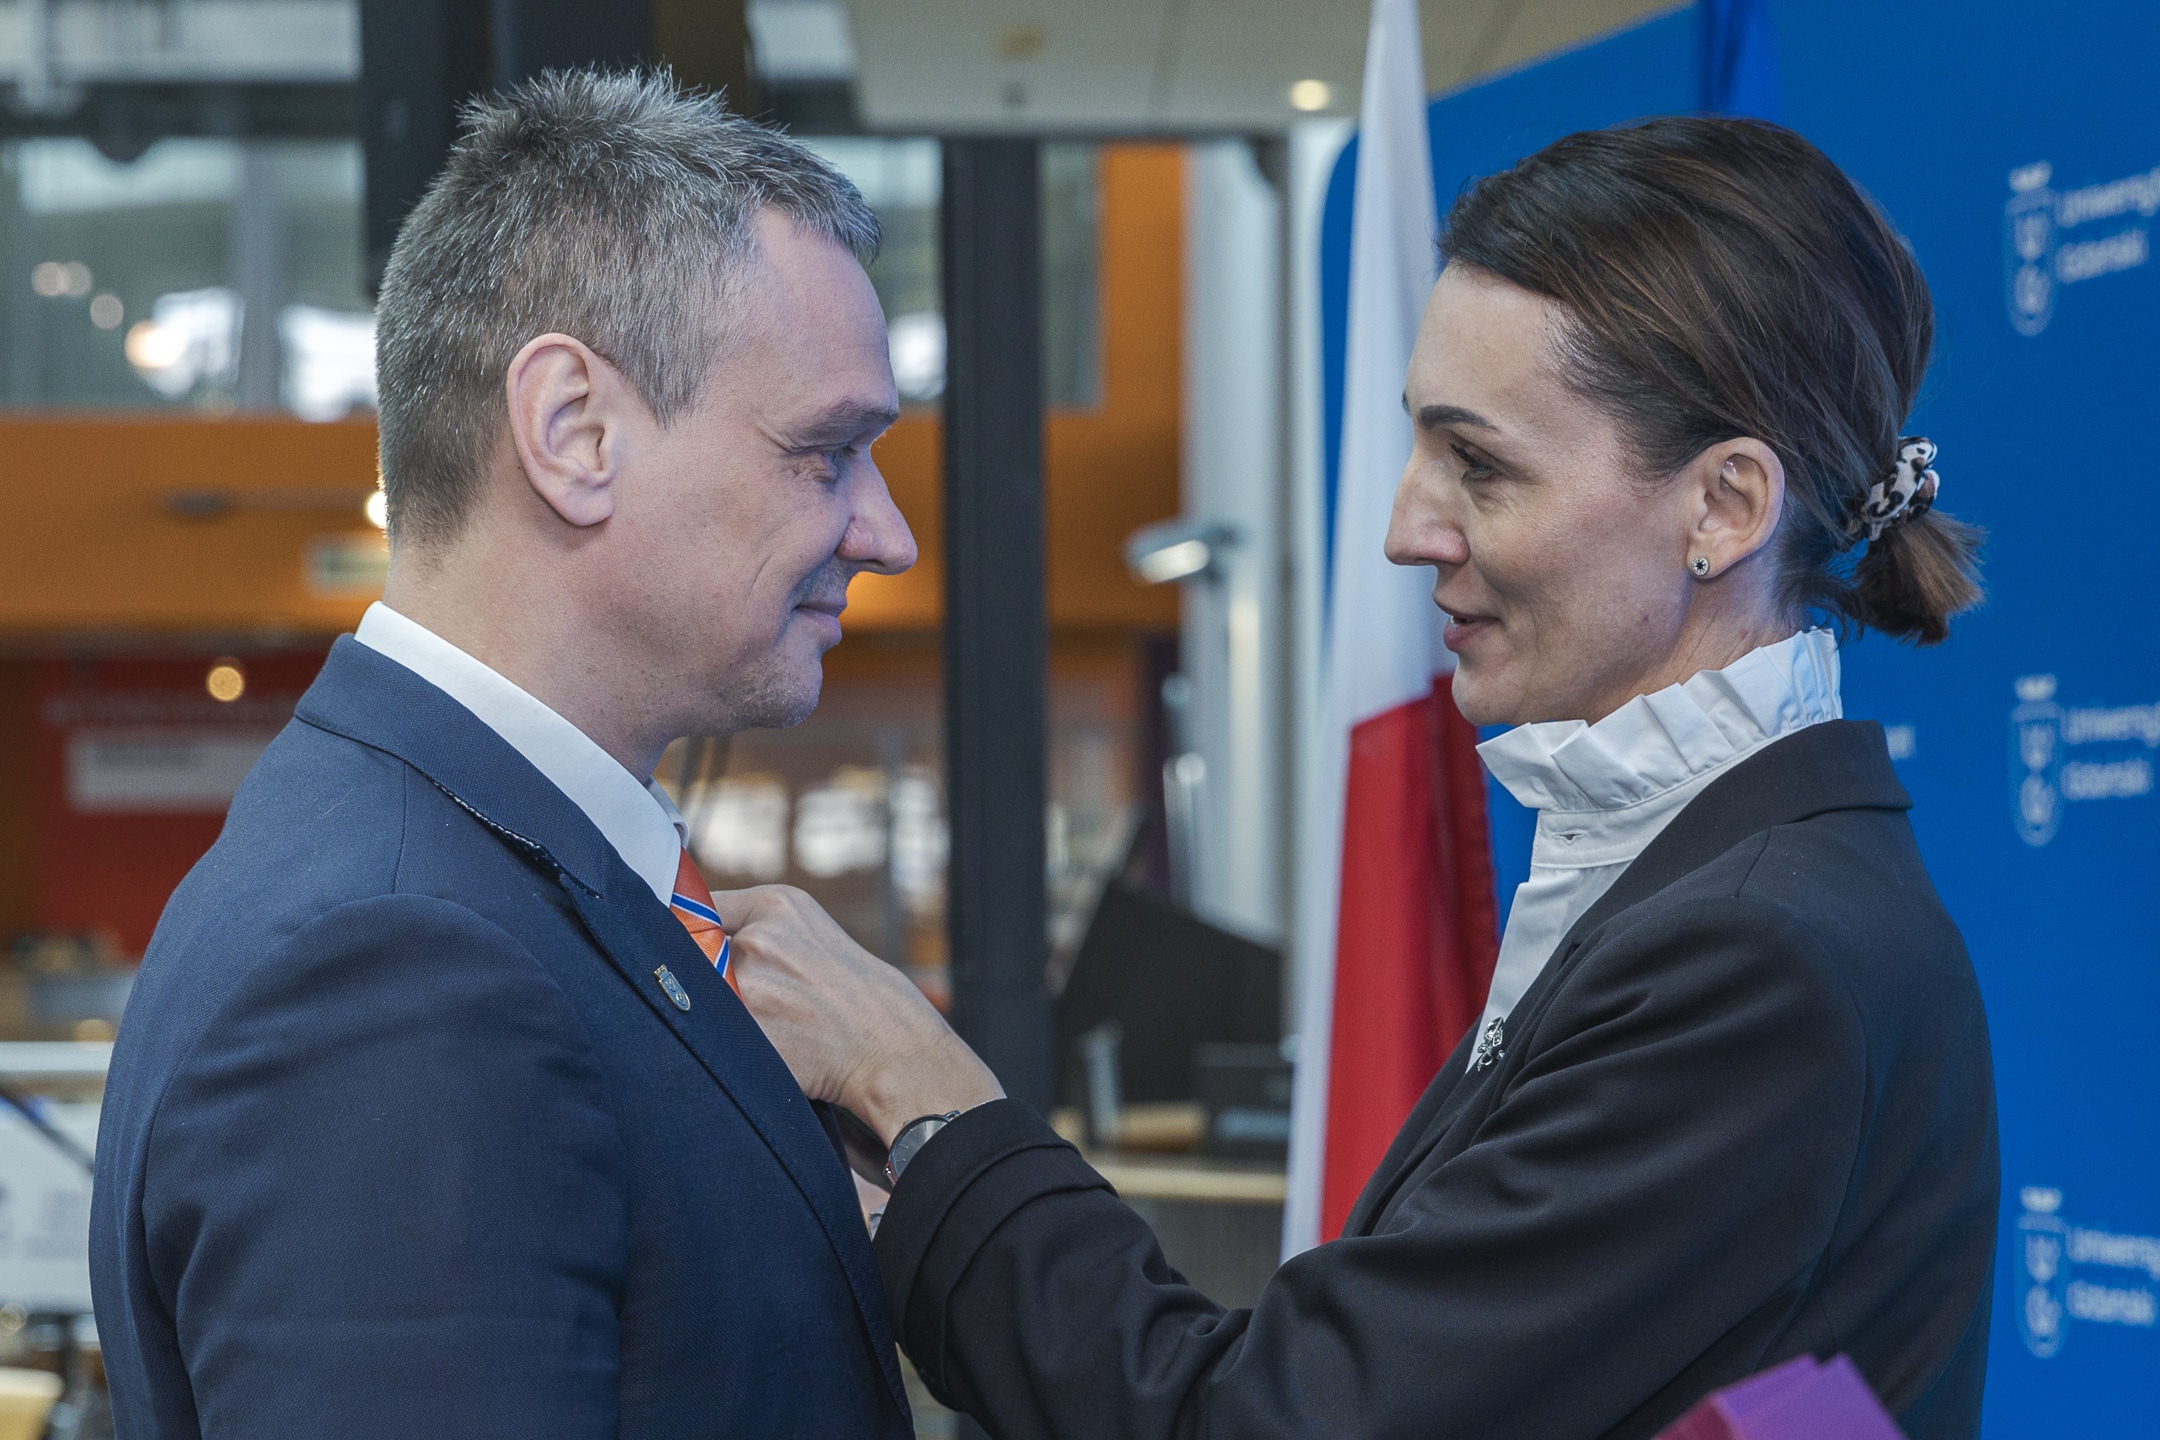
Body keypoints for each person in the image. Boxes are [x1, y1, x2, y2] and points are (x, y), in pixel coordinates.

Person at [723, 117, 1999, 1440]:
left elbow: (1270, 1425)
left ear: (1724, 507)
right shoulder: (1722, 885)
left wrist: (922, 1091)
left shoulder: (1755, 957)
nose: (1405, 528)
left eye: (1480, 465)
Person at [89, 71, 918, 1438]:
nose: (887, 535)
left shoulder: (475, 890)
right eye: (826, 453)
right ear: (573, 432)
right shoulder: (395, 966)